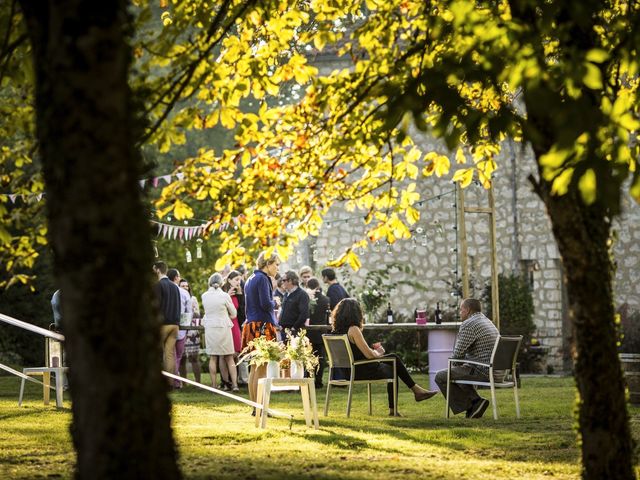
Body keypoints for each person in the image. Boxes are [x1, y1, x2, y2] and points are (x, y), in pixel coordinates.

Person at [331, 298, 438, 416]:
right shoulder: (353, 330)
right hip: (361, 370)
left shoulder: (335, 332)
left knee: (393, 359)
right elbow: (369, 355)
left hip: (346, 372)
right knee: (394, 364)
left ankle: (416, 391)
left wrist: (373, 352)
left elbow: (359, 353)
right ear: (356, 313)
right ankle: (403, 402)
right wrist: (379, 352)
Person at [435, 298, 500, 419]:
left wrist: (455, 364)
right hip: (497, 371)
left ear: (468, 310)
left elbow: (457, 356)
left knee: (441, 376)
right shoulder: (488, 321)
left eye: (461, 309)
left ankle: (472, 405)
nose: (459, 313)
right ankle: (476, 402)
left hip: (483, 371)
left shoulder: (469, 324)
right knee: (460, 370)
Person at [242, 251, 281, 405]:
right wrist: (276, 302)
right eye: (276, 264)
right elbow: (266, 304)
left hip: (251, 325)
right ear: (268, 264)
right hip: (262, 325)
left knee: (254, 368)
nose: (277, 268)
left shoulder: (250, 279)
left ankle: (255, 406)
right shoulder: (263, 279)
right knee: (262, 368)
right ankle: (260, 406)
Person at [202, 273, 239, 391]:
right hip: (223, 328)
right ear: (222, 283)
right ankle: (235, 385)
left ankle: (213, 385)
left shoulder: (204, 296)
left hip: (210, 328)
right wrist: (226, 315)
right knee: (229, 357)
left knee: (213, 357)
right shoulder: (224, 296)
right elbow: (234, 314)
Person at [153, 261, 181, 387]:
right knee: (169, 355)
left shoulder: (158, 285)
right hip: (175, 325)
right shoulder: (175, 286)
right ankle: (169, 384)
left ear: (157, 270)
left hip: (162, 324)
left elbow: (156, 305)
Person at [221, 270, 245, 389]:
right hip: (225, 324)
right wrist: (227, 296)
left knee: (236, 352)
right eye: (236, 279)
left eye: (239, 280)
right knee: (225, 353)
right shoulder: (223, 292)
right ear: (229, 280)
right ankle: (225, 381)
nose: (238, 282)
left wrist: (240, 295)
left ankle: (234, 380)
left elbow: (242, 313)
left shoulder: (240, 293)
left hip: (236, 324)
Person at [168, 268, 191, 388]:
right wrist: (185, 327)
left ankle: (172, 381)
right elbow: (188, 313)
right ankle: (176, 382)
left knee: (169, 355)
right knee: (177, 356)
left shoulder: (165, 290)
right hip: (180, 328)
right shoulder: (184, 293)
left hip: (166, 325)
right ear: (176, 277)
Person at [305, 277, 330, 388]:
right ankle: (318, 381)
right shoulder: (325, 299)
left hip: (309, 332)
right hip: (320, 331)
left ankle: (308, 378)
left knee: (308, 356)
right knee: (320, 357)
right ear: (318, 286)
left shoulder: (306, 299)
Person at [179, 279, 202, 384]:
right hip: (182, 330)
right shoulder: (177, 298)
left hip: (192, 330)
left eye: (186, 286)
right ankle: (184, 382)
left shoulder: (193, 298)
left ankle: (198, 382)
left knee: (194, 358)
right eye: (182, 286)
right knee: (182, 358)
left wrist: (194, 310)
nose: (185, 288)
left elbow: (198, 315)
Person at [278, 270, 310, 338]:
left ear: (290, 281)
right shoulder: (286, 294)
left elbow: (304, 314)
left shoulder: (302, 294)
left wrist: (294, 328)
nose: (282, 282)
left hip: (295, 331)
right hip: (284, 330)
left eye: (284, 280)